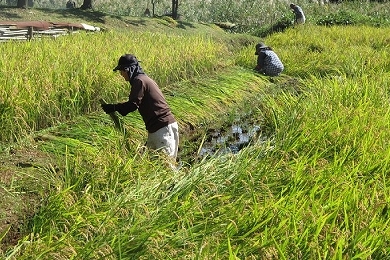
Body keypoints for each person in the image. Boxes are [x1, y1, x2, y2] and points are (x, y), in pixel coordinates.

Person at [101, 54, 179, 162]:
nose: (121, 74)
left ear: (128, 70)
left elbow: (132, 105)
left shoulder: (139, 81)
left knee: (166, 167)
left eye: (122, 71)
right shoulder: (145, 79)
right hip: (161, 128)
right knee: (153, 164)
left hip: (162, 129)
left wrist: (113, 107)